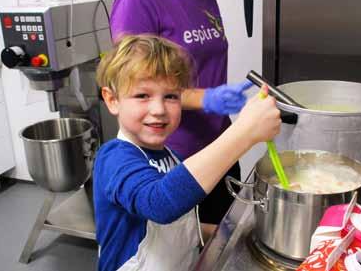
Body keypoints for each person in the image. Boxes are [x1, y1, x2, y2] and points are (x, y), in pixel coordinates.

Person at [110, 0, 251, 227]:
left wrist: (224, 107)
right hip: (176, 160)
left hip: (220, 144)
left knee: (218, 247)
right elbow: (137, 89)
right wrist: (206, 99)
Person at [94, 34, 281, 271]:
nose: (159, 109)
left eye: (171, 96)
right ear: (112, 100)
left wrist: (222, 235)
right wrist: (244, 133)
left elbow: (174, 227)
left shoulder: (171, 157)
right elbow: (159, 203)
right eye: (142, 96)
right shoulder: (114, 158)